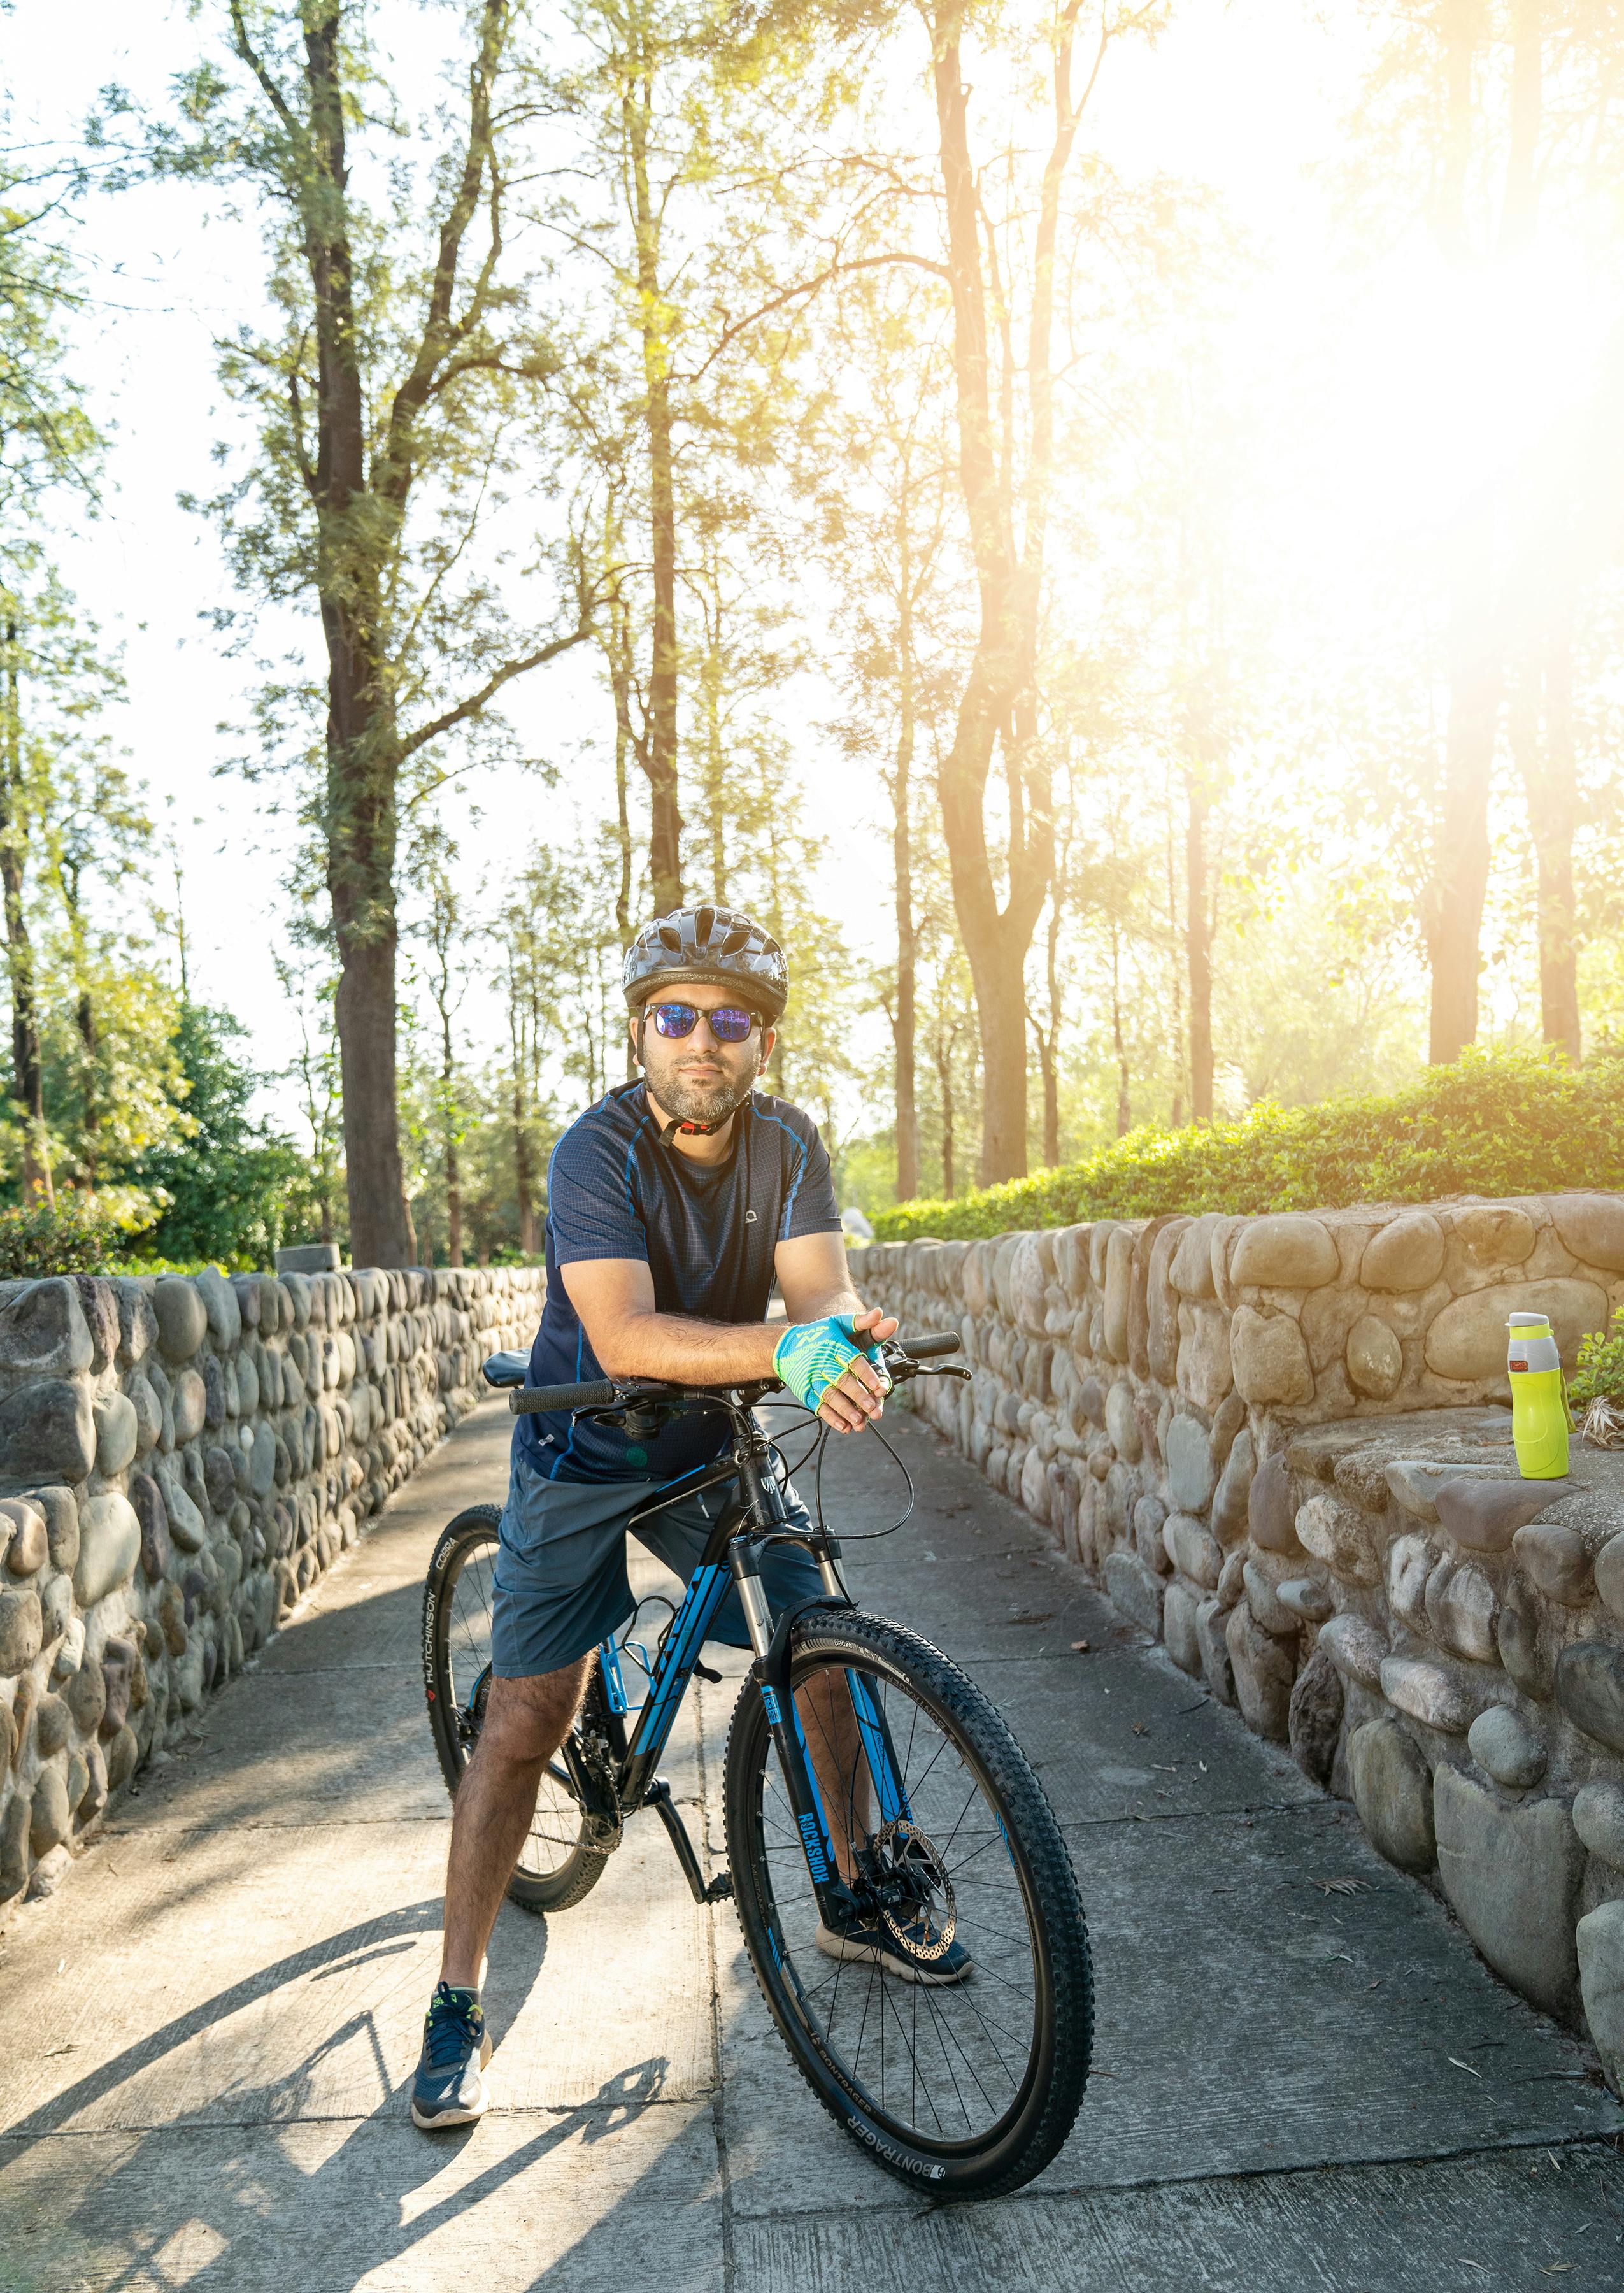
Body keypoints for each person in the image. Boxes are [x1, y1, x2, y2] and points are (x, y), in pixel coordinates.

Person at [411, 903, 965, 2133]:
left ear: (760, 1042)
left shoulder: (788, 1145)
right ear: (638, 1033)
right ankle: (457, 1997)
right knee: (526, 1713)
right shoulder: (594, 1151)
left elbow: (820, 1288)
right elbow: (622, 1332)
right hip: (584, 1441)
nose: (699, 1042)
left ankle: (856, 1885)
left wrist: (843, 1335)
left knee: (819, 1634)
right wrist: (787, 1342)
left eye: (728, 1020)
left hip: (709, 1436)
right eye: (675, 1017)